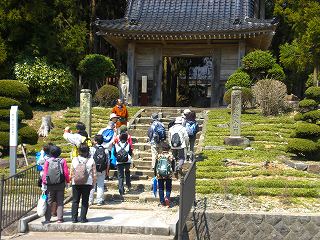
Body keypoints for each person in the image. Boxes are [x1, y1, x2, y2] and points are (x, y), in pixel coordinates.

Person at [41, 145, 70, 224]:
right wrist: (67, 181)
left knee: (49, 201)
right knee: (60, 201)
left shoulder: (48, 161)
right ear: (59, 153)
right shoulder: (62, 161)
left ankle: (47, 219)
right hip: (60, 184)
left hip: (50, 184)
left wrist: (44, 182)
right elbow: (66, 172)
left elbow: (45, 173)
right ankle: (59, 219)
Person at [70, 143, 96, 223]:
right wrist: (93, 183)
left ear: (79, 151)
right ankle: (82, 218)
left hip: (76, 182)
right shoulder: (91, 160)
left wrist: (71, 181)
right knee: (85, 201)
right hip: (87, 182)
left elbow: (71, 172)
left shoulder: (74, 159)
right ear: (88, 151)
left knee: (75, 200)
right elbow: (94, 174)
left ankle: (74, 218)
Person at [89, 134, 109, 206]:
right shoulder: (105, 150)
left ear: (95, 141)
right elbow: (108, 162)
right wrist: (107, 171)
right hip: (102, 170)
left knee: (92, 185)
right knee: (100, 185)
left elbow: (89, 160)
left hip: (92, 170)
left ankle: (90, 200)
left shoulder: (92, 149)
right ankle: (99, 201)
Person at [154, 143, 175, 207]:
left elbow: (156, 166)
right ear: (169, 149)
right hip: (168, 174)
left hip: (160, 174)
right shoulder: (171, 156)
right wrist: (173, 172)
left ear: (162, 148)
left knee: (161, 188)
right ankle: (167, 198)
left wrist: (155, 173)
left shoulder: (159, 155)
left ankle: (162, 202)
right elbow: (173, 165)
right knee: (168, 188)